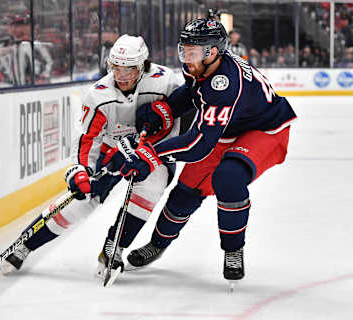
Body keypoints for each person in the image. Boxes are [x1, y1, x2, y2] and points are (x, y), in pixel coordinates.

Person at [113, 19, 297, 283]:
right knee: (185, 193)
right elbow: (192, 93)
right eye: (184, 50)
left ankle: (233, 249)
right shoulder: (203, 65)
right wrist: (163, 110)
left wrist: (150, 154)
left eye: (193, 52)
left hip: (266, 130)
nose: (187, 58)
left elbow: (198, 144)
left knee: (229, 177)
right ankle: (158, 243)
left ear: (212, 52)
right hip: (226, 129)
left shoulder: (225, 83)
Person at [0, 34, 183, 280]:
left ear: (144, 65)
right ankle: (25, 244)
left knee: (151, 185)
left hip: (154, 147)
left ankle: (113, 247)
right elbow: (88, 139)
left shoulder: (165, 82)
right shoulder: (98, 95)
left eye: (130, 69)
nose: (122, 76)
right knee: (83, 198)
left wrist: (148, 151)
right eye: (117, 68)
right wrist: (81, 170)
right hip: (112, 146)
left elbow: (181, 121)